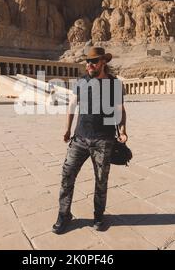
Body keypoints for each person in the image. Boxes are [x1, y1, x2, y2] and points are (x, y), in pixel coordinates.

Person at [52, 47, 128, 234]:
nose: (89, 65)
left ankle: (99, 216)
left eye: (93, 61)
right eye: (87, 62)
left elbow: (120, 109)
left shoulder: (114, 84)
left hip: (104, 140)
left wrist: (123, 130)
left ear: (103, 62)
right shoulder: (81, 82)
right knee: (67, 176)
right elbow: (71, 105)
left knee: (101, 181)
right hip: (79, 138)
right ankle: (64, 215)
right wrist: (67, 129)